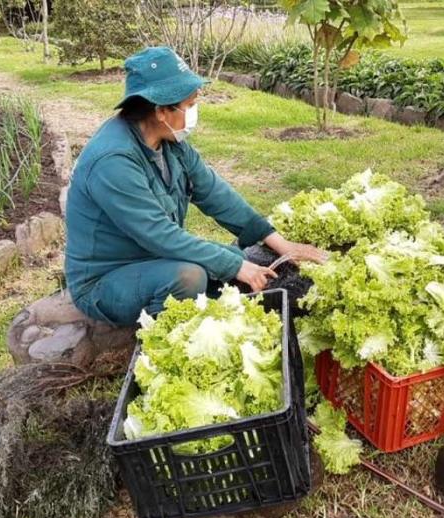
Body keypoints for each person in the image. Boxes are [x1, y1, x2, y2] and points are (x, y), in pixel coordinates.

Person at [64, 46, 326, 326]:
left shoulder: (169, 144)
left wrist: (283, 245)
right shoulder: (112, 162)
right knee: (191, 278)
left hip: (149, 256)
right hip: (106, 278)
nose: (193, 112)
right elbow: (159, 234)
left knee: (231, 259)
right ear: (162, 111)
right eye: (189, 105)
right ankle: (159, 341)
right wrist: (238, 267)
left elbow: (216, 194)